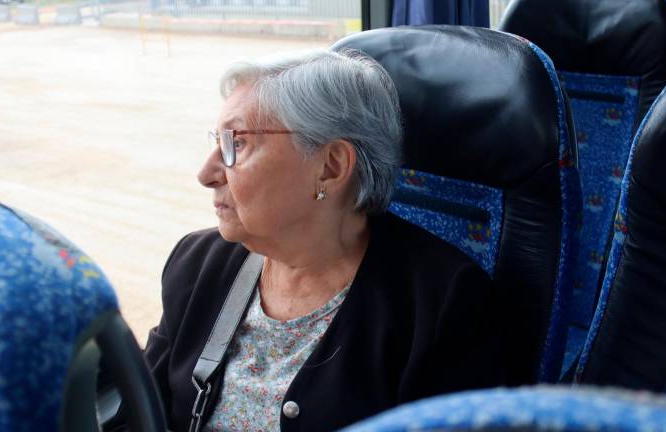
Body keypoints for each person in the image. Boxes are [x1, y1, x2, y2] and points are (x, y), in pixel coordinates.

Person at [111, 48, 504, 432]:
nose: (206, 173)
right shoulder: (196, 264)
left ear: (330, 167)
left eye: (237, 144)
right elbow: (139, 414)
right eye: (217, 142)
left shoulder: (445, 305)